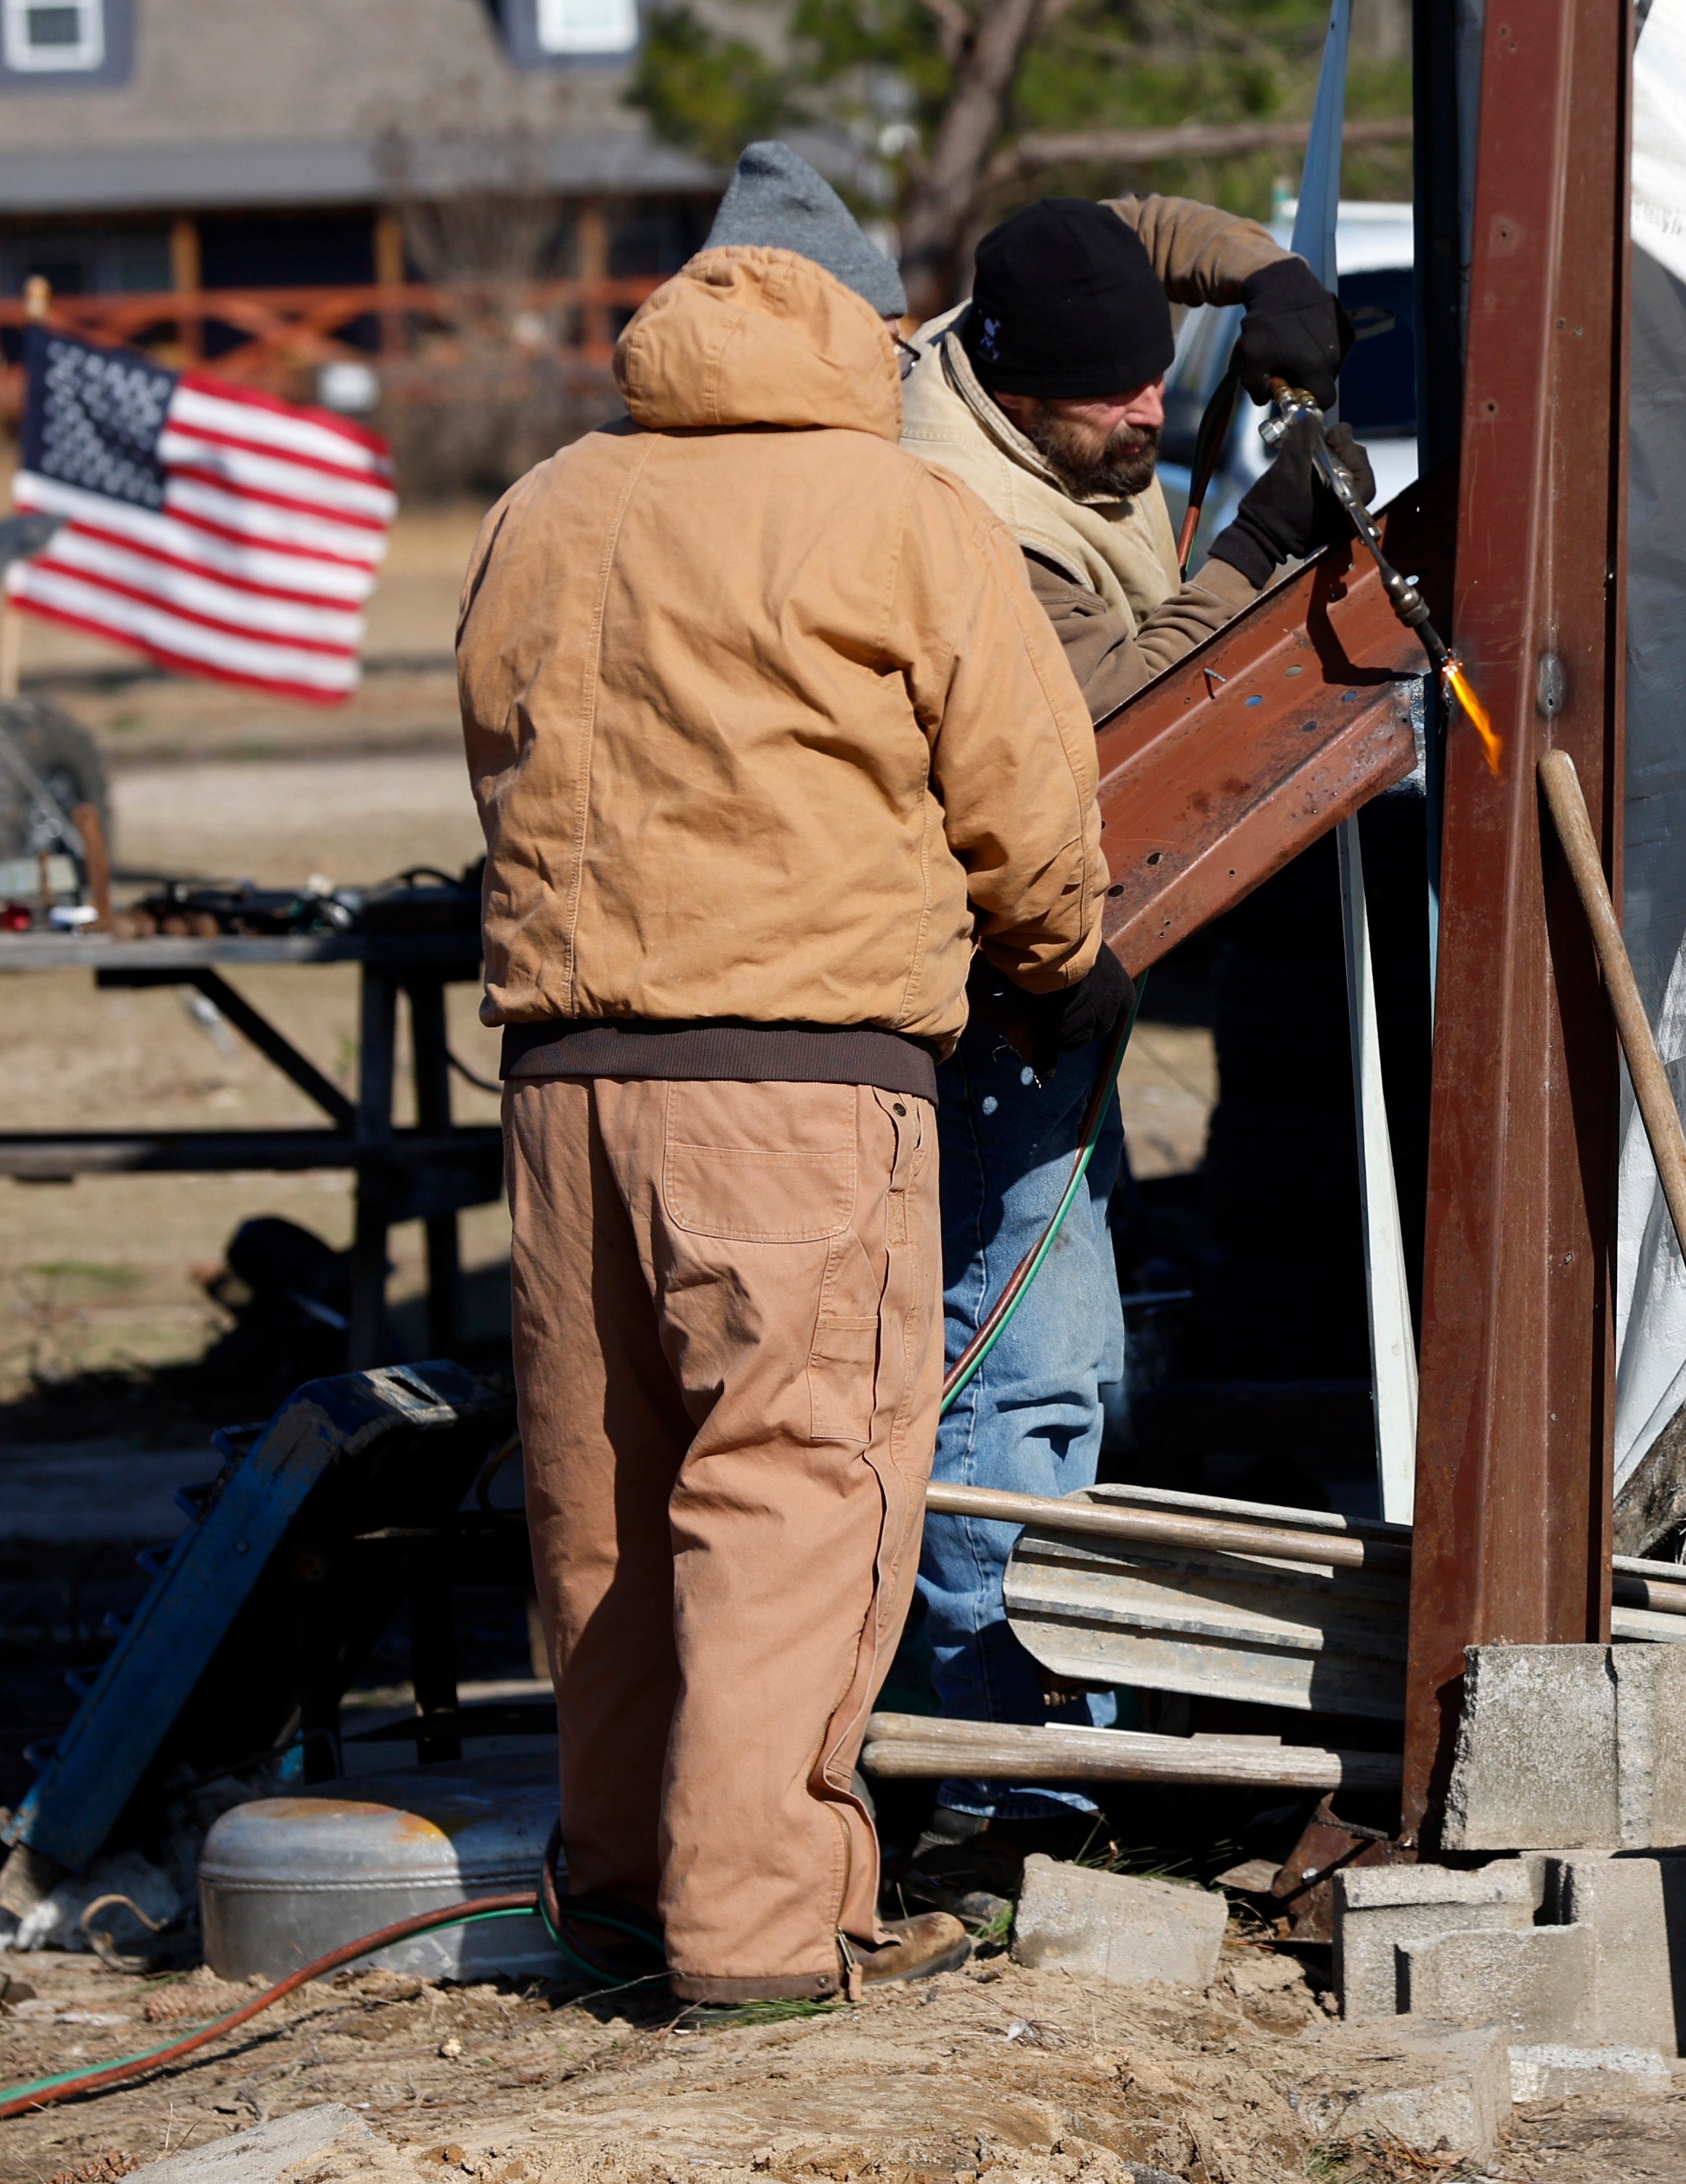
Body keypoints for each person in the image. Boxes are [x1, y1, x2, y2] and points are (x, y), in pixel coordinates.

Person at [457, 143, 1119, 2006]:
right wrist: (1064, 962)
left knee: (606, 1502)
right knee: (792, 1499)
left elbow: (495, 757)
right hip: (799, 1084)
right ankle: (756, 1940)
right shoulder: (904, 515)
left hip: (567, 1075)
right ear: (865, 326)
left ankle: (610, 1900)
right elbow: (1025, 799)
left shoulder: (542, 504)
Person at [890, 195, 1373, 1883]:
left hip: (1038, 981)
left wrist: (1271, 281)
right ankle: (1013, 1783)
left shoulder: (1023, 363)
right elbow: (1115, 724)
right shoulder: (973, 520)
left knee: (1041, 1362)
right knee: (1021, 1380)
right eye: (1117, 408)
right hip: (991, 991)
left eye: (1164, 382)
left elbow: (1139, 225)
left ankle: (1026, 1748)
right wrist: (1254, 544)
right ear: (1016, 400)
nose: (1154, 415)